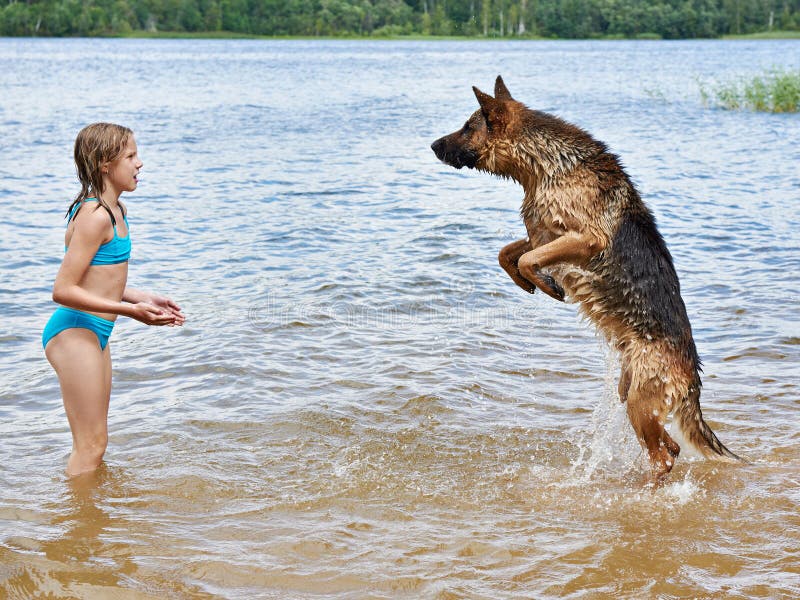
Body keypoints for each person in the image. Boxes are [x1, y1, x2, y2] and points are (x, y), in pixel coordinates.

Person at [43, 123, 185, 477]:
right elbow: (62, 289)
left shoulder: (117, 211)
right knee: (90, 445)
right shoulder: (94, 216)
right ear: (106, 164)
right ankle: (80, 526)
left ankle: (89, 519)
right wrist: (131, 311)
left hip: (96, 333)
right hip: (75, 331)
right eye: (131, 156)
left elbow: (96, 281)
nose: (140, 164)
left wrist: (141, 296)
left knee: (95, 442)